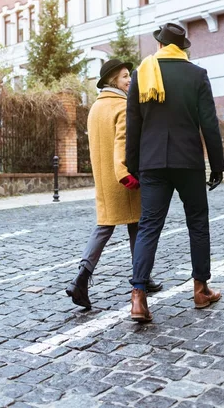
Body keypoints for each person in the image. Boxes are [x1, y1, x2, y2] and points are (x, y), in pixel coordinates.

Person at [126, 23, 224, 322]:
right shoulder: (197, 75)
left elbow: (134, 125)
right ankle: (200, 290)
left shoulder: (141, 74)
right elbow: (209, 124)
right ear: (183, 47)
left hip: (152, 162)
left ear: (160, 45)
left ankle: (139, 298)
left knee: (149, 227)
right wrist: (217, 165)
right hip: (188, 161)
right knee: (197, 224)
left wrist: (133, 166)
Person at [66, 59, 162, 309]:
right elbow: (122, 142)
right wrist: (125, 173)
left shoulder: (96, 108)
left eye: (128, 75)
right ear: (112, 82)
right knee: (137, 227)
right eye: (123, 77)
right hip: (124, 179)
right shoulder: (122, 106)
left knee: (109, 227)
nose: (129, 80)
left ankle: (83, 277)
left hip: (104, 180)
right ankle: (136, 277)